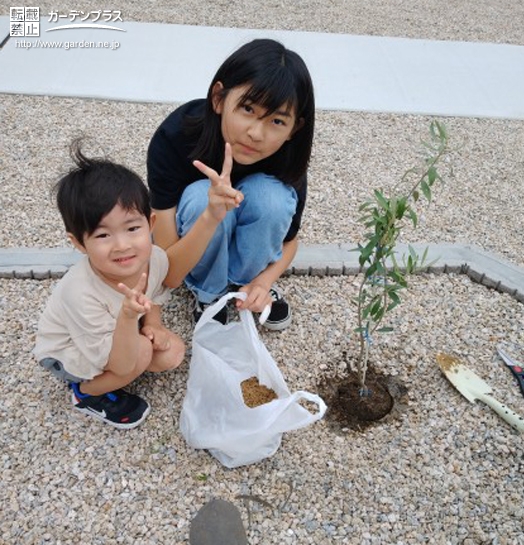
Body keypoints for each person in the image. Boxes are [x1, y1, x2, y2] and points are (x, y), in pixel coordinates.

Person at [34, 140, 218, 429]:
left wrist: (153, 325)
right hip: (66, 350)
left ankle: (133, 354)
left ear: (150, 223)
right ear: (78, 243)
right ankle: (86, 394)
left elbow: (157, 290)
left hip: (115, 333)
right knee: (140, 354)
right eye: (102, 235)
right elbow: (120, 363)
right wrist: (131, 320)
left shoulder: (152, 258)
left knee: (173, 353)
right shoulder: (80, 292)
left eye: (133, 228)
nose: (122, 246)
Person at [147, 38, 315, 330]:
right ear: (219, 99)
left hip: (253, 270)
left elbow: (289, 241)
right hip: (196, 236)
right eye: (247, 109)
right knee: (201, 196)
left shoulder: (287, 158)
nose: (256, 133)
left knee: (272, 198)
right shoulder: (175, 138)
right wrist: (211, 216)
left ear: (293, 130)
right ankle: (208, 292)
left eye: (276, 121)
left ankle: (245, 286)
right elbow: (167, 273)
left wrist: (263, 281)